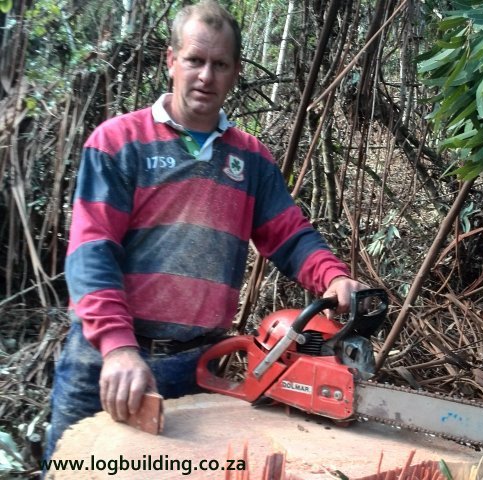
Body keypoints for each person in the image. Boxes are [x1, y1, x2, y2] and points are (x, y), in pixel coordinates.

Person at [45, 0, 366, 465]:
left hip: (195, 365)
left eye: (219, 64)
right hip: (106, 360)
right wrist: (117, 347)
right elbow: (92, 252)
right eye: (195, 60)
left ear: (236, 71)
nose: (205, 76)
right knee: (73, 470)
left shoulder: (251, 159)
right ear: (171, 60)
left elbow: (289, 234)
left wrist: (332, 279)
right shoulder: (117, 142)